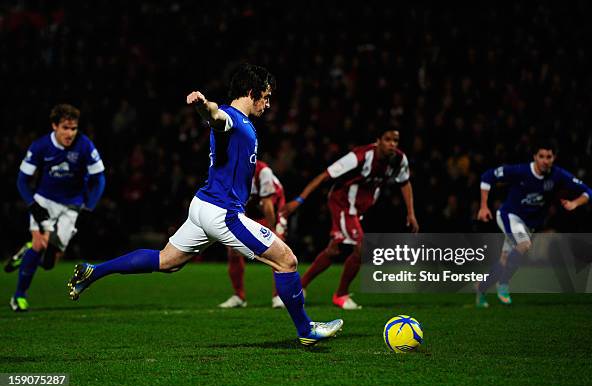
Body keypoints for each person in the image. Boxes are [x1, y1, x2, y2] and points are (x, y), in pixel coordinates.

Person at [67, 64, 342, 346]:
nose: (268, 103)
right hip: (223, 213)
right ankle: (306, 330)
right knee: (287, 261)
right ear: (251, 93)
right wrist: (202, 105)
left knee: (166, 261)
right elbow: (216, 116)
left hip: (203, 206)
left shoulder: (243, 123)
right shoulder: (233, 118)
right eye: (266, 96)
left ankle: (94, 271)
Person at [283, 129, 419, 310]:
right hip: (342, 204)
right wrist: (299, 200)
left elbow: (404, 182)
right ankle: (341, 295)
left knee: (333, 250)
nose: (392, 144)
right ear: (378, 140)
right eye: (388, 139)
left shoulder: (399, 160)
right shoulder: (359, 156)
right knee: (361, 247)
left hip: (359, 208)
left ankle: (299, 286)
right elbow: (325, 175)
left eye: (396, 140)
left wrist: (411, 213)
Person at [8, 103, 106, 312]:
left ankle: (26, 252)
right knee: (39, 244)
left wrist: (89, 208)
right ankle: (19, 296)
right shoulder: (40, 146)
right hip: (45, 201)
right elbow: (22, 181)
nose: (70, 133)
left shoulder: (85, 145)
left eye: (73, 128)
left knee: (49, 263)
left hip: (72, 206)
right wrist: (33, 205)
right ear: (54, 126)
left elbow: (100, 178)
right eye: (65, 128)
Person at [475, 140, 592, 307]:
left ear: (554, 158)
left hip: (528, 224)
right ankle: (503, 284)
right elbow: (487, 176)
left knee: (504, 260)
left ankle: (481, 288)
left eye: (549, 156)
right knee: (524, 244)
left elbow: (589, 192)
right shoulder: (520, 171)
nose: (545, 160)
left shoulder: (558, 174)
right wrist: (483, 207)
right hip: (510, 216)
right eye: (541, 156)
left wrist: (574, 203)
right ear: (534, 157)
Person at [219, 160, 287, 309]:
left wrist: (273, 232)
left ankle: (280, 296)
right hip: (250, 210)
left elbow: (268, 205)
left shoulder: (263, 172)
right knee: (233, 250)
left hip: (273, 209)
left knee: (277, 250)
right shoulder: (229, 172)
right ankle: (239, 296)